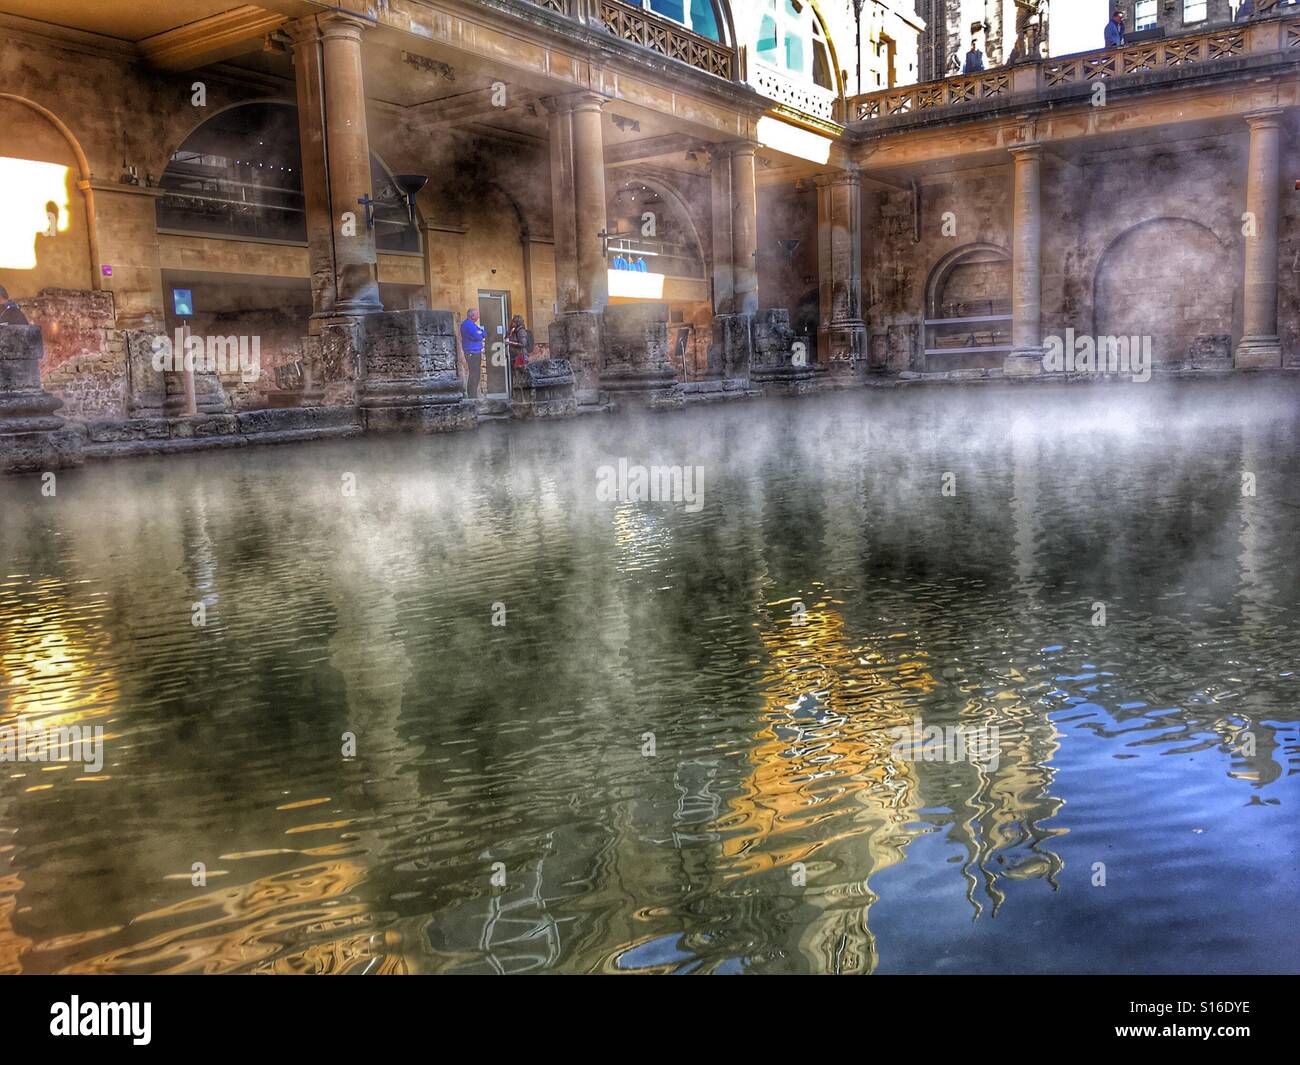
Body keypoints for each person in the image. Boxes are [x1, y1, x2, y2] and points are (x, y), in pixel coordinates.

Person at [460, 307, 486, 399]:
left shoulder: (472, 324)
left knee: (476, 374)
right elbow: (478, 336)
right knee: (474, 374)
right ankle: (472, 396)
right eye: (477, 314)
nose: (479, 316)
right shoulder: (467, 325)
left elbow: (484, 333)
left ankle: (473, 394)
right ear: (472, 315)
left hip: (475, 352)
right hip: (471, 352)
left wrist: (480, 333)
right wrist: (479, 333)